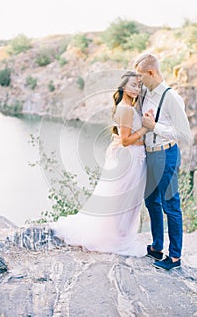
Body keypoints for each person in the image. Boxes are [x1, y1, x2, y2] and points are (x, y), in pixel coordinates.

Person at [50, 70, 154, 257]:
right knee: (122, 200)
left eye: (139, 85)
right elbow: (124, 140)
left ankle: (120, 236)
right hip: (129, 157)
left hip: (135, 157)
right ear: (123, 87)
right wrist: (146, 128)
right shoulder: (126, 108)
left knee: (127, 200)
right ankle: (117, 239)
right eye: (133, 85)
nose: (137, 89)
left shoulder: (130, 106)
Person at [134, 53, 192, 270]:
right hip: (150, 154)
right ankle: (157, 246)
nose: (139, 80)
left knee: (171, 205)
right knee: (151, 201)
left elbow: (185, 135)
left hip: (166, 154)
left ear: (151, 72)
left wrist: (154, 127)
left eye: (141, 76)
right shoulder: (147, 93)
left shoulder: (171, 97)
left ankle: (175, 257)